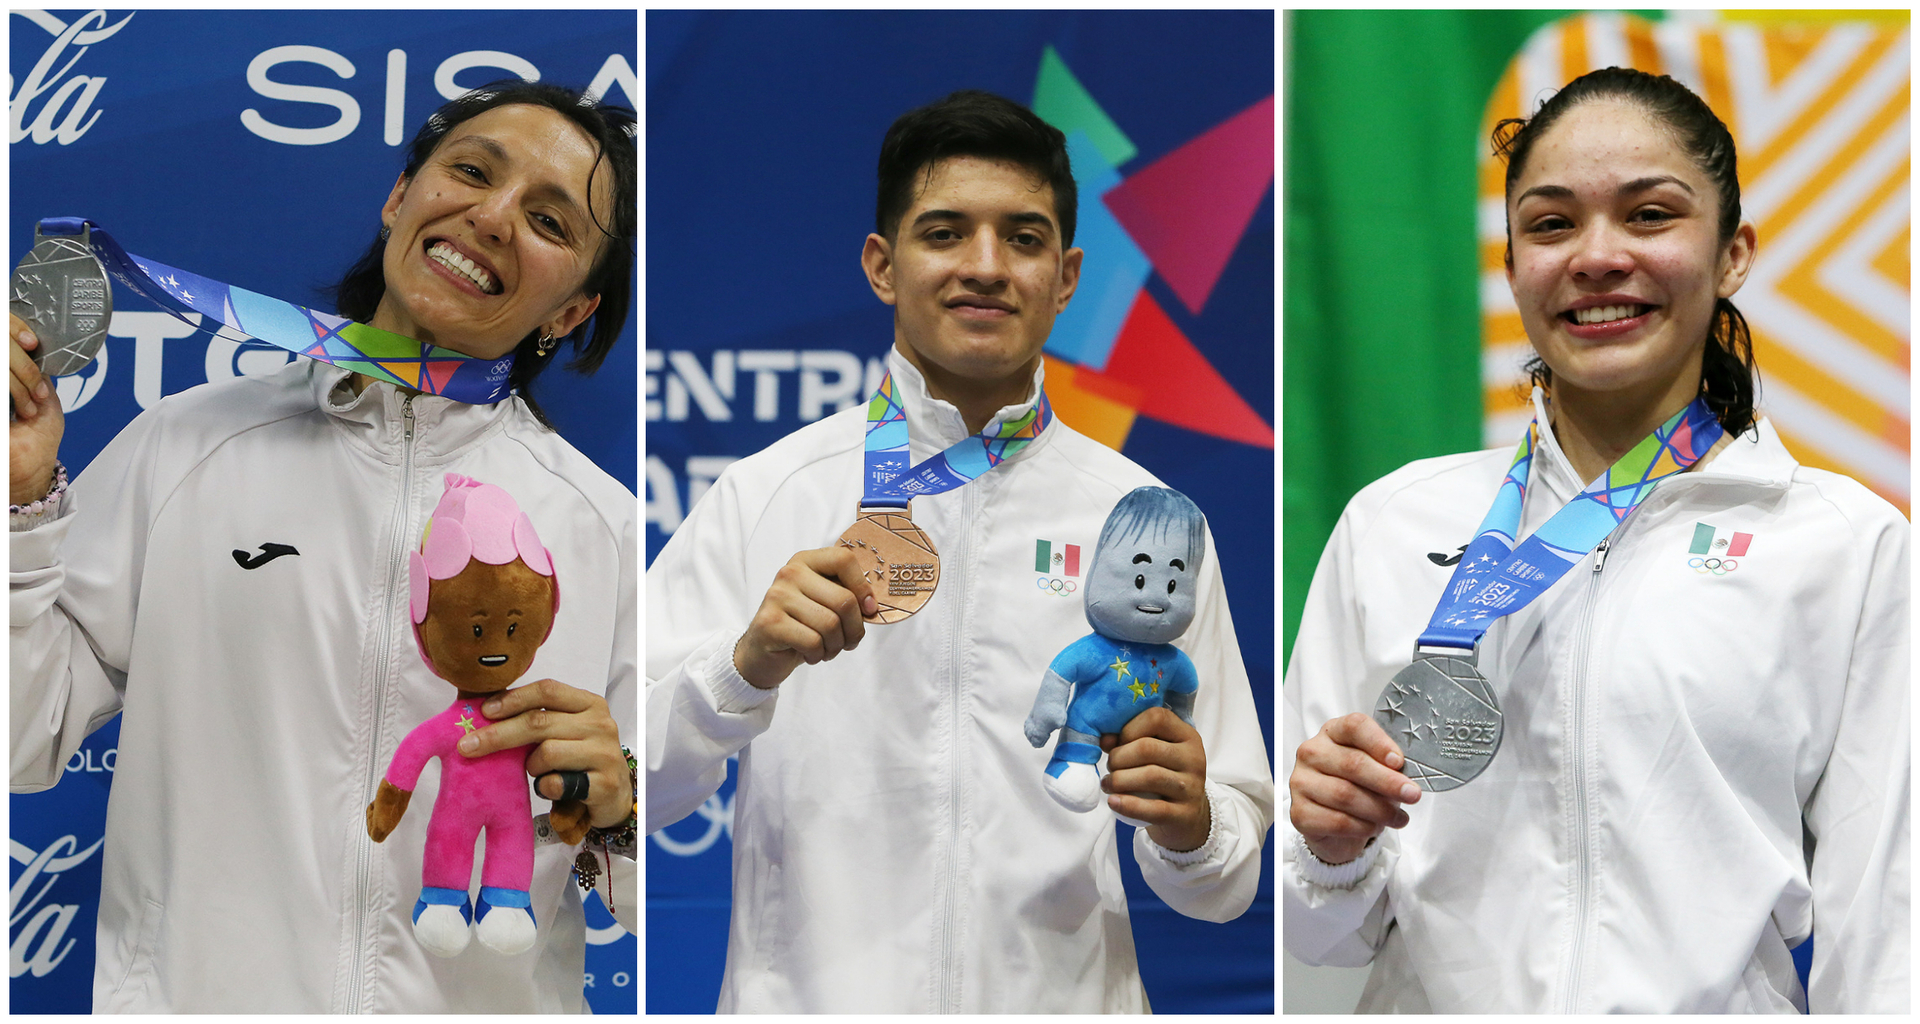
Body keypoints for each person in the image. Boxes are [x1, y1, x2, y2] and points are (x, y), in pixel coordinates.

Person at [1283, 67, 1908, 1013]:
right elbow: (1312, 936)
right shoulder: (1392, 522)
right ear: (1512, 266)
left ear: (1733, 253)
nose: (1597, 257)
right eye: (1551, 223)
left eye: (1650, 216)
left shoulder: (1843, 545)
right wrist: (1330, 851)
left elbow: (1890, 931)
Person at [9, 81, 637, 1012]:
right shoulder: (187, 448)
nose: (494, 217)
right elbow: (20, 739)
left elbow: (624, 897)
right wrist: (20, 510)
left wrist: (616, 822)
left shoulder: (603, 526)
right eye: (471, 171)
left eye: (549, 220)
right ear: (399, 198)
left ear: (571, 314)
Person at [646, 90, 1274, 1013]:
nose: (985, 268)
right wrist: (742, 669)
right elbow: (624, 791)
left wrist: (1194, 829)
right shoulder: (769, 492)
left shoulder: (1142, 518)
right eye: (944, 233)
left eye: (1022, 239)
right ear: (882, 265)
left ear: (1067, 277)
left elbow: (1225, 886)